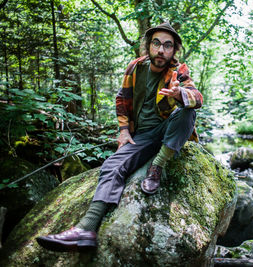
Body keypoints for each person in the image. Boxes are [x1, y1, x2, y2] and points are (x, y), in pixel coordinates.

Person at [36, 22, 203, 252]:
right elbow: (121, 98)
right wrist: (123, 130)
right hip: (141, 136)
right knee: (112, 165)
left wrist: (181, 94)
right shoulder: (135, 67)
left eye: (168, 45)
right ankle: (86, 230)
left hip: (168, 130)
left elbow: (197, 97)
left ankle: (157, 165)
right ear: (148, 46)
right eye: (156, 43)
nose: (161, 50)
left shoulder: (178, 71)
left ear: (174, 51)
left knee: (188, 111)